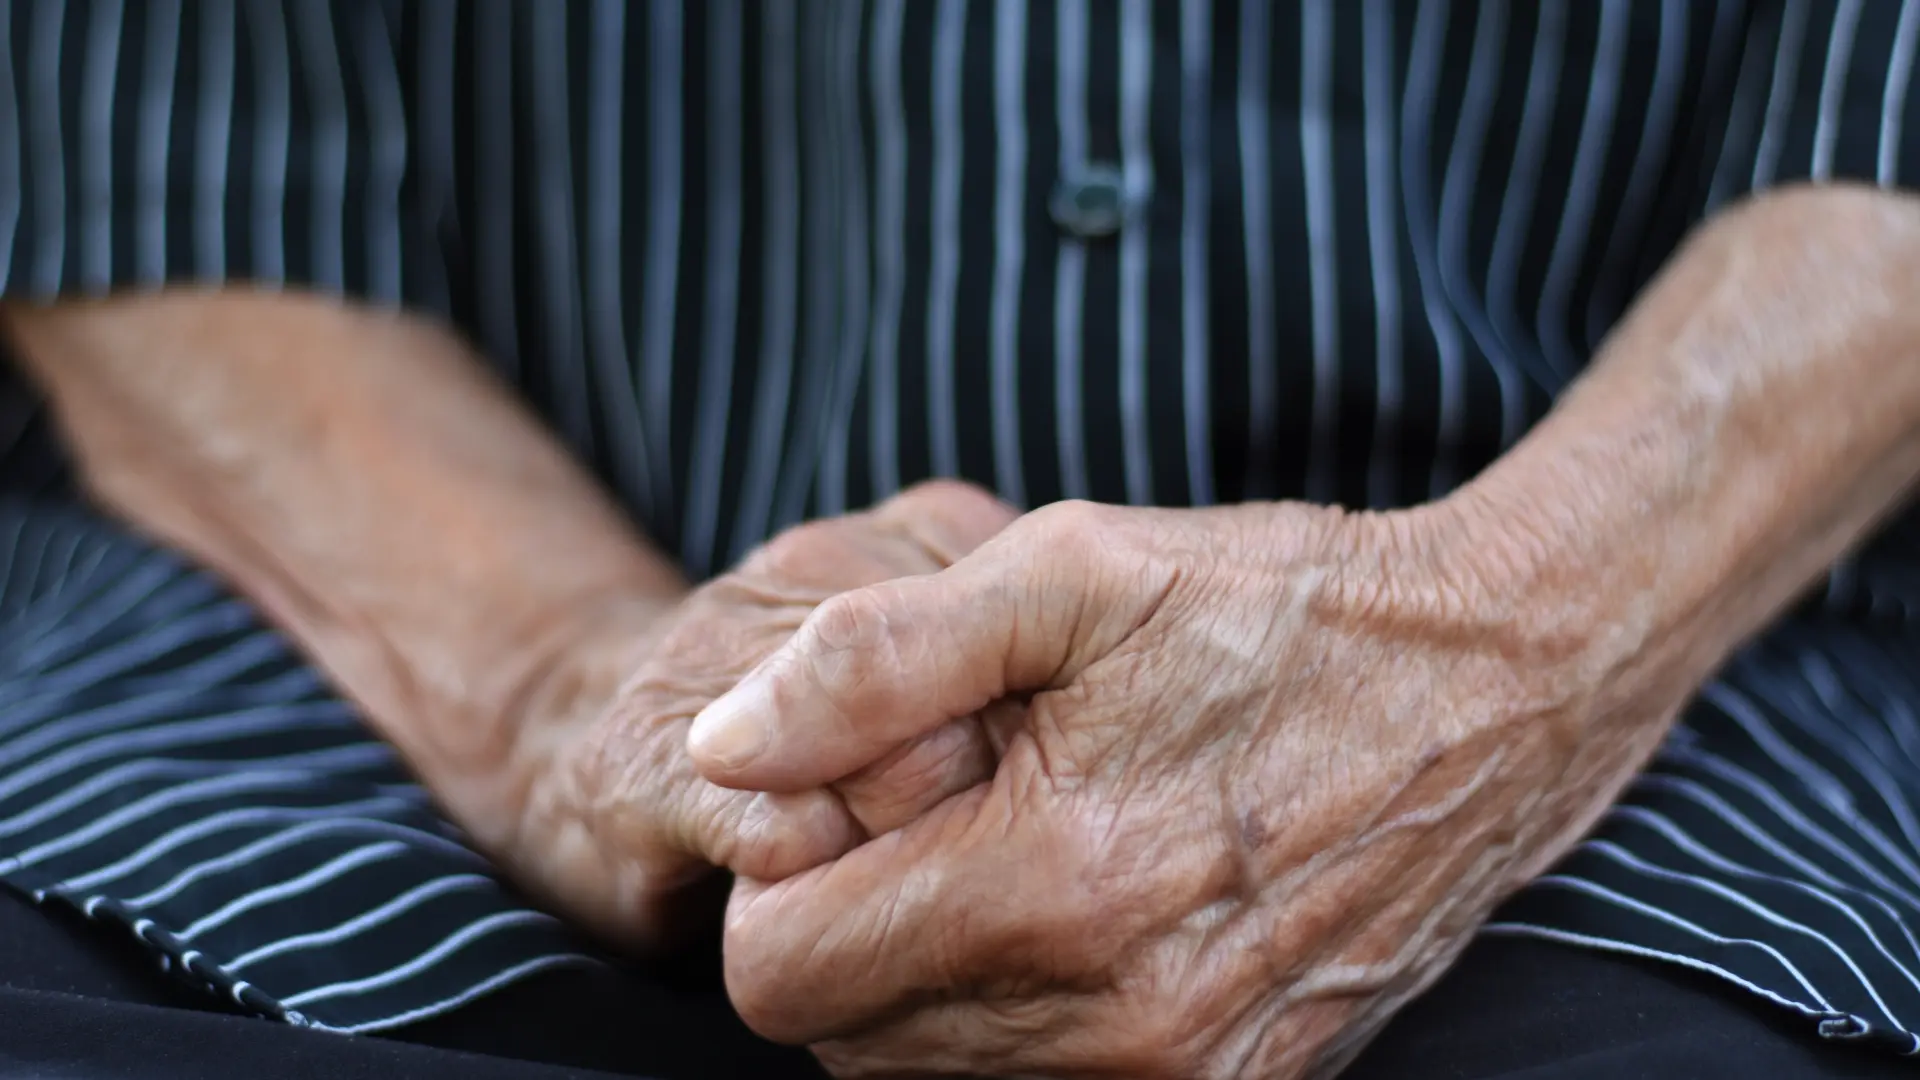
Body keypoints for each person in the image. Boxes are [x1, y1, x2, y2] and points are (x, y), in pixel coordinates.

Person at [2, 0, 1920, 1076]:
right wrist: (569, 701)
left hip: (1679, 699)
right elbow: (141, 143)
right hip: (349, 681)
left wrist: (1513, 629)